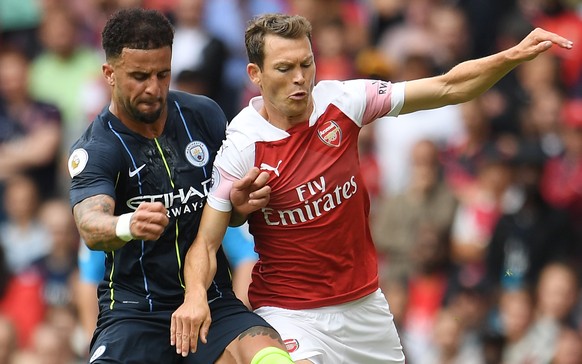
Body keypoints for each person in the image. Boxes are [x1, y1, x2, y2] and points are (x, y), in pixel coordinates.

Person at [174, 13, 574, 363]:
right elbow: (206, 245)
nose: (300, 79)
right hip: (290, 312)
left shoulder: (344, 101)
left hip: (365, 307)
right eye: (284, 68)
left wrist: (510, 57)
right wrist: (195, 296)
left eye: (306, 64)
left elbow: (449, 87)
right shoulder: (243, 145)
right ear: (255, 75)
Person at [68, 8, 291, 364]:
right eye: (139, 76)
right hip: (134, 313)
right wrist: (128, 224)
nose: (153, 88)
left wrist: (237, 205)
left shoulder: (205, 116)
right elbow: (91, 226)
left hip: (212, 300)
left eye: (162, 74)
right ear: (109, 74)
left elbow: (226, 217)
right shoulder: (96, 148)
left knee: (268, 355)